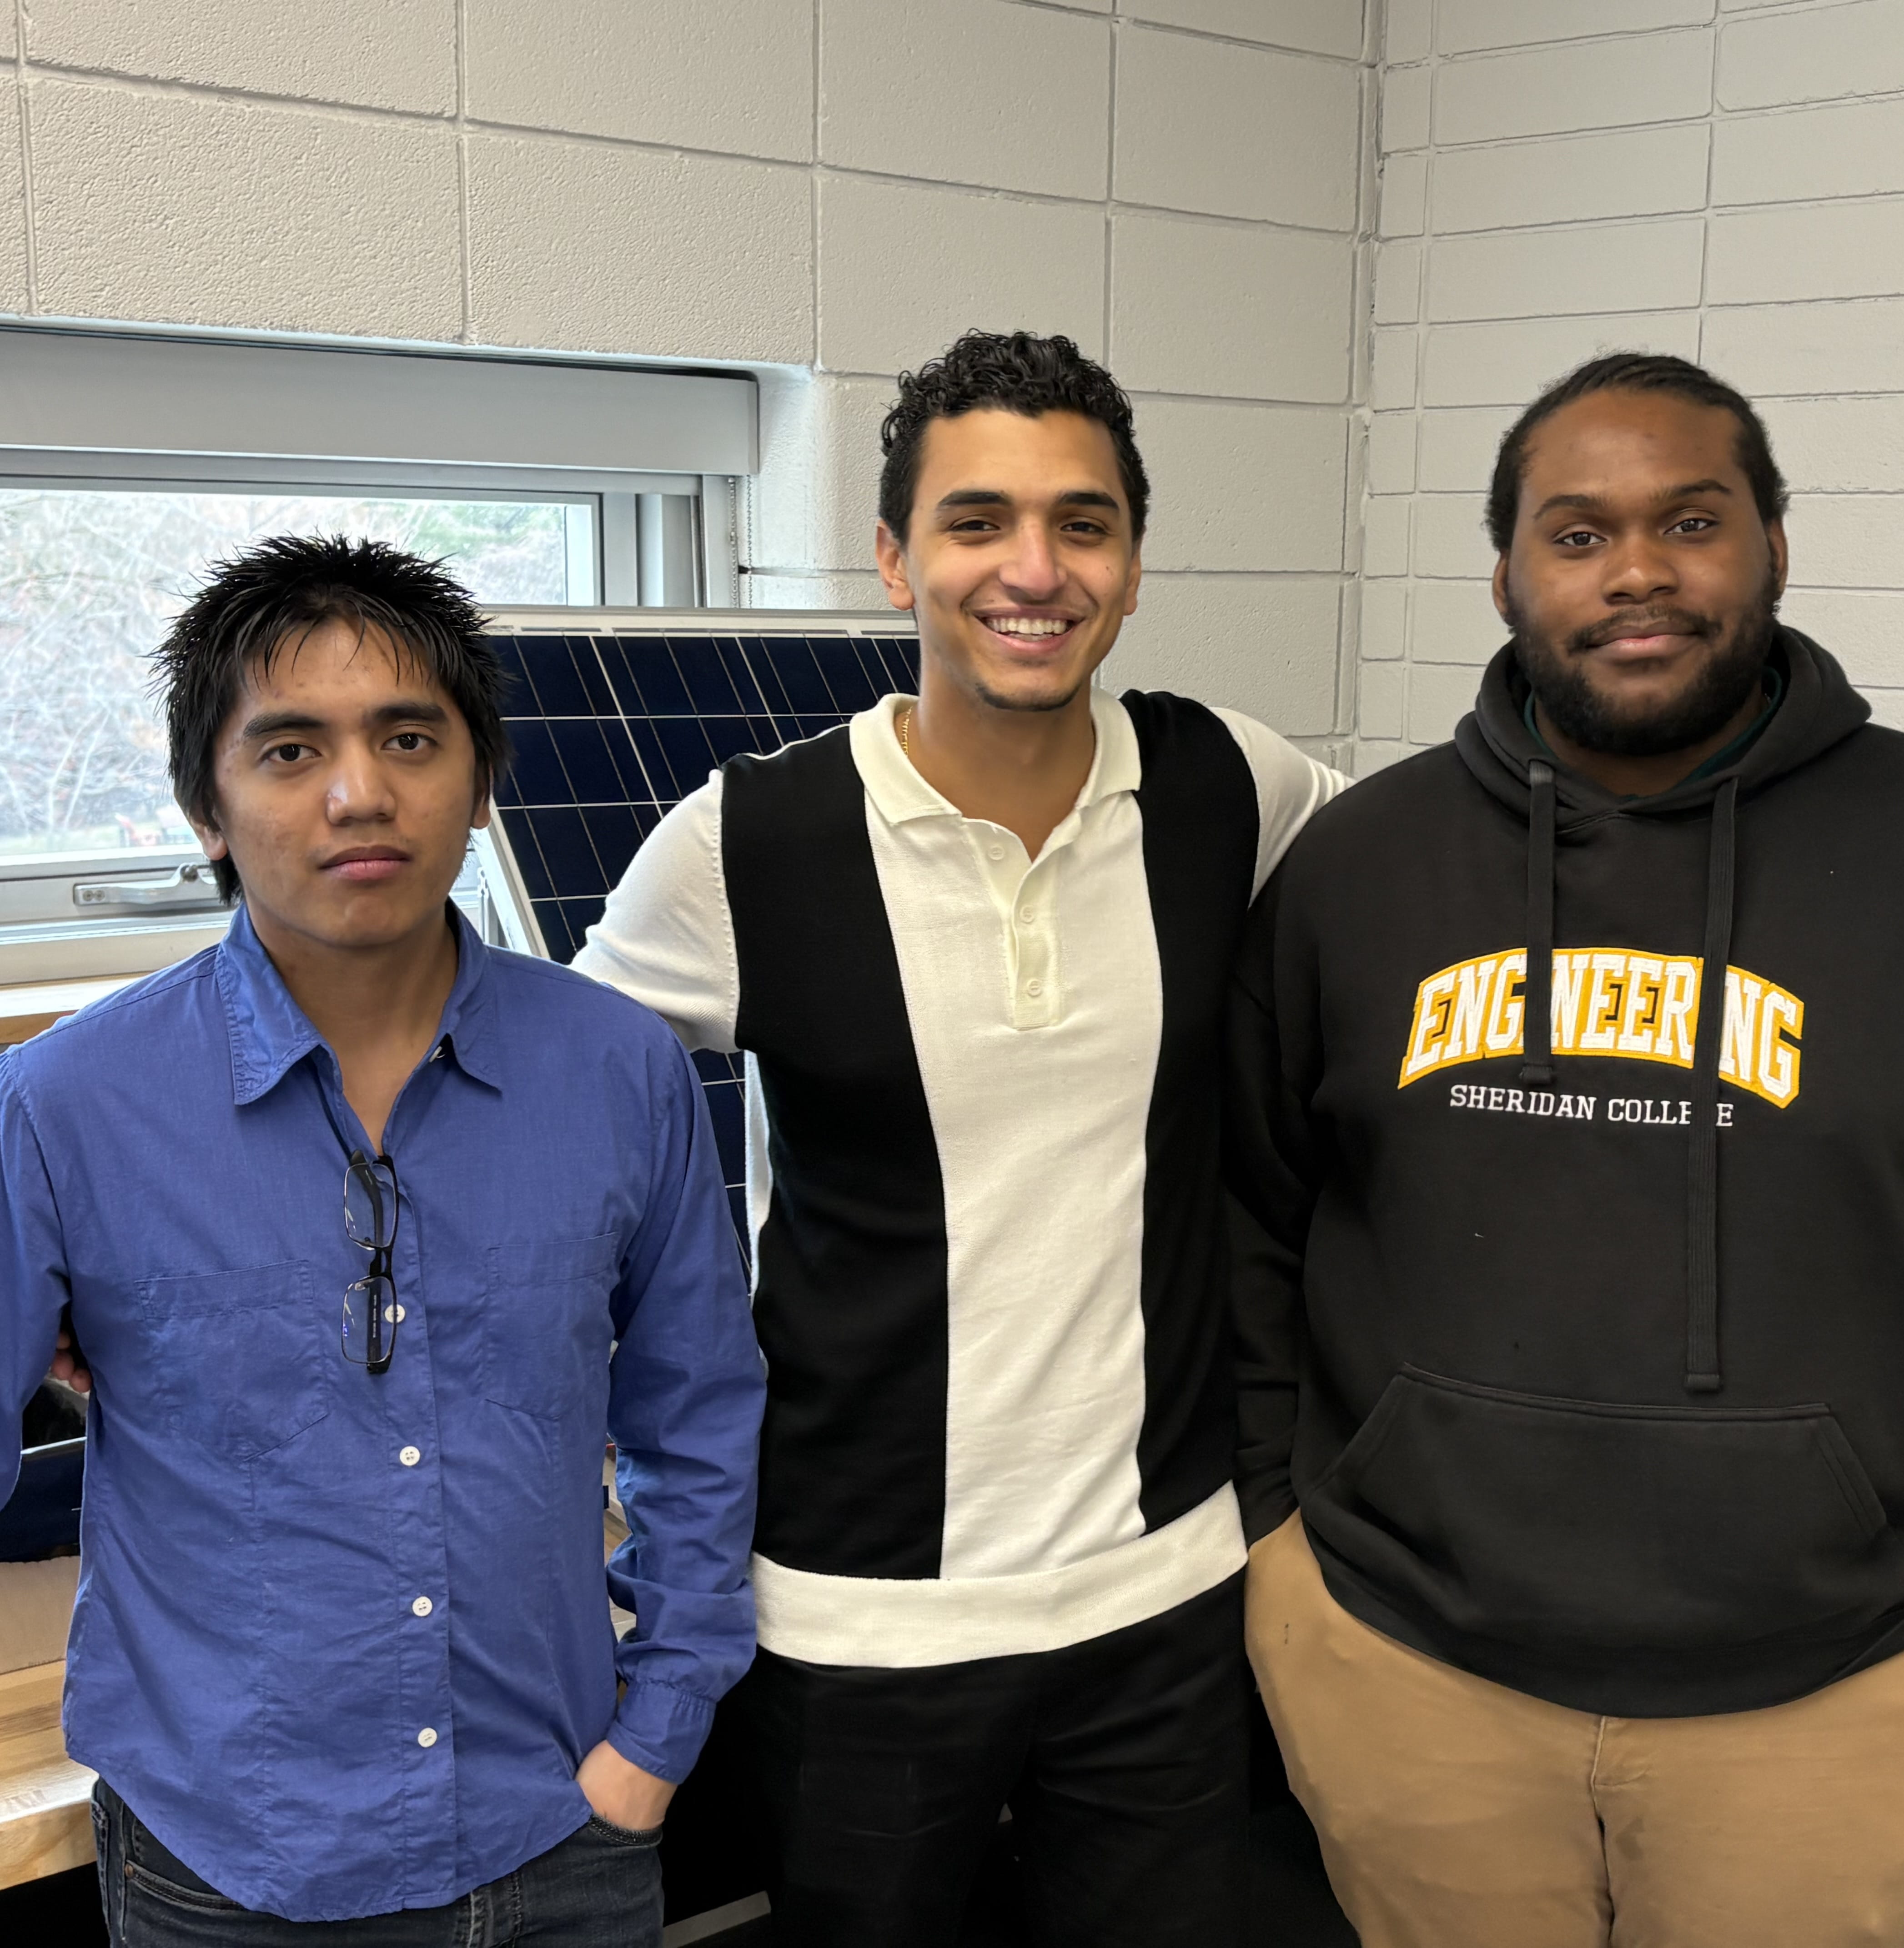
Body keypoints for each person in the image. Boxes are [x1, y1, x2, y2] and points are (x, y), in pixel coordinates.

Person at [1226, 352, 1904, 1948]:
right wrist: (1278, 1549)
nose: (1636, 569)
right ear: (1505, 573)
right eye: (1577, 532)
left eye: (1689, 520)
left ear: (1773, 542)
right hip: (1402, 1675)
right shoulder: (1362, 870)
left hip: (1848, 1698)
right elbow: (1247, 1225)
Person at [0, 537, 764, 1948]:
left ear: (479, 781)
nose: (360, 790)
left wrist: (661, 1725)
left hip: (565, 1845)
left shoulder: (619, 1073)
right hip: (229, 1877)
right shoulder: (61, 1112)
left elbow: (700, 1412)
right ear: (208, 807)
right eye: (289, 749)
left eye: (410, 736)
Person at [574, 330, 1347, 1946]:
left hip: (1170, 1595)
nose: (1033, 570)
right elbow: (519, 1109)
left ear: (1134, 565)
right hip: (858, 1621)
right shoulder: (749, 840)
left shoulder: (1232, 786)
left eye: (1084, 524)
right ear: (893, 555)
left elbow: (1441, 907)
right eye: (978, 519)